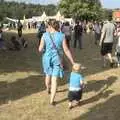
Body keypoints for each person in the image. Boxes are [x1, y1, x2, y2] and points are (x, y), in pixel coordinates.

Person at [38, 19, 75, 105]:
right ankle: (51, 100)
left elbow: (40, 49)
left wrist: (44, 49)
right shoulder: (61, 36)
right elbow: (66, 50)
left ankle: (48, 88)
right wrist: (72, 61)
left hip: (47, 59)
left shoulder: (44, 35)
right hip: (58, 59)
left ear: (50, 26)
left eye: (47, 26)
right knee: (54, 79)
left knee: (48, 75)